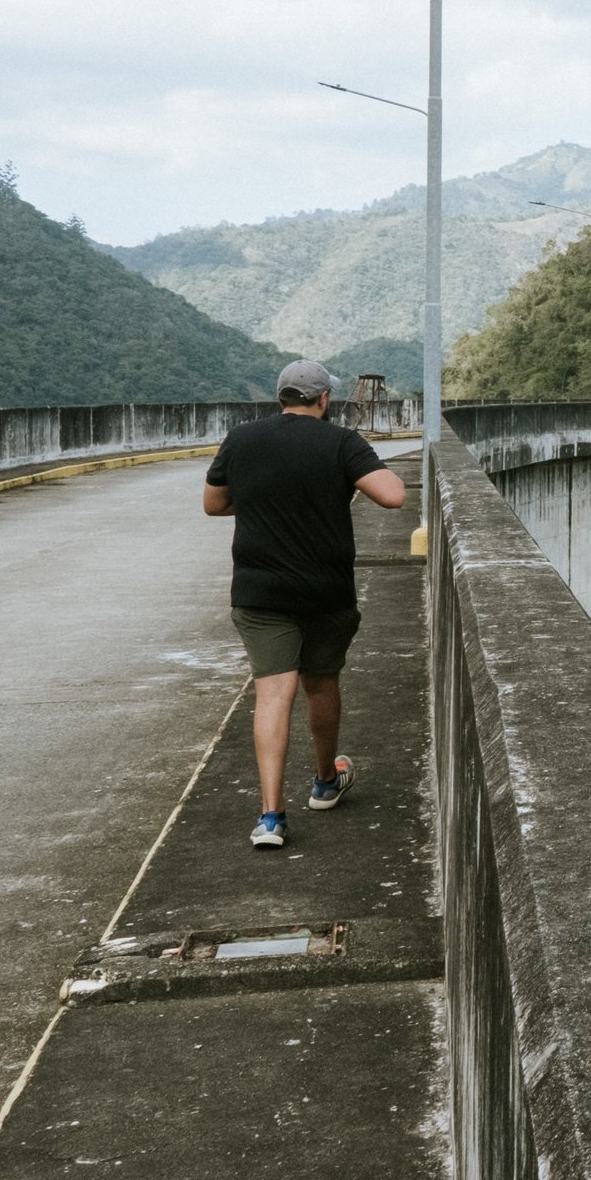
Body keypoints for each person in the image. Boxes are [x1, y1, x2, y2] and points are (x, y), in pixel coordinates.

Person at [203, 359, 407, 848]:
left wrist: (263, 499)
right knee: (321, 684)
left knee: (273, 695)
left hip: (259, 592)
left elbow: (213, 503)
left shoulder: (242, 438)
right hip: (324, 591)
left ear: (281, 397)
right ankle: (324, 782)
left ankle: (271, 817)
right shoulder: (340, 442)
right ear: (323, 400)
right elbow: (395, 496)